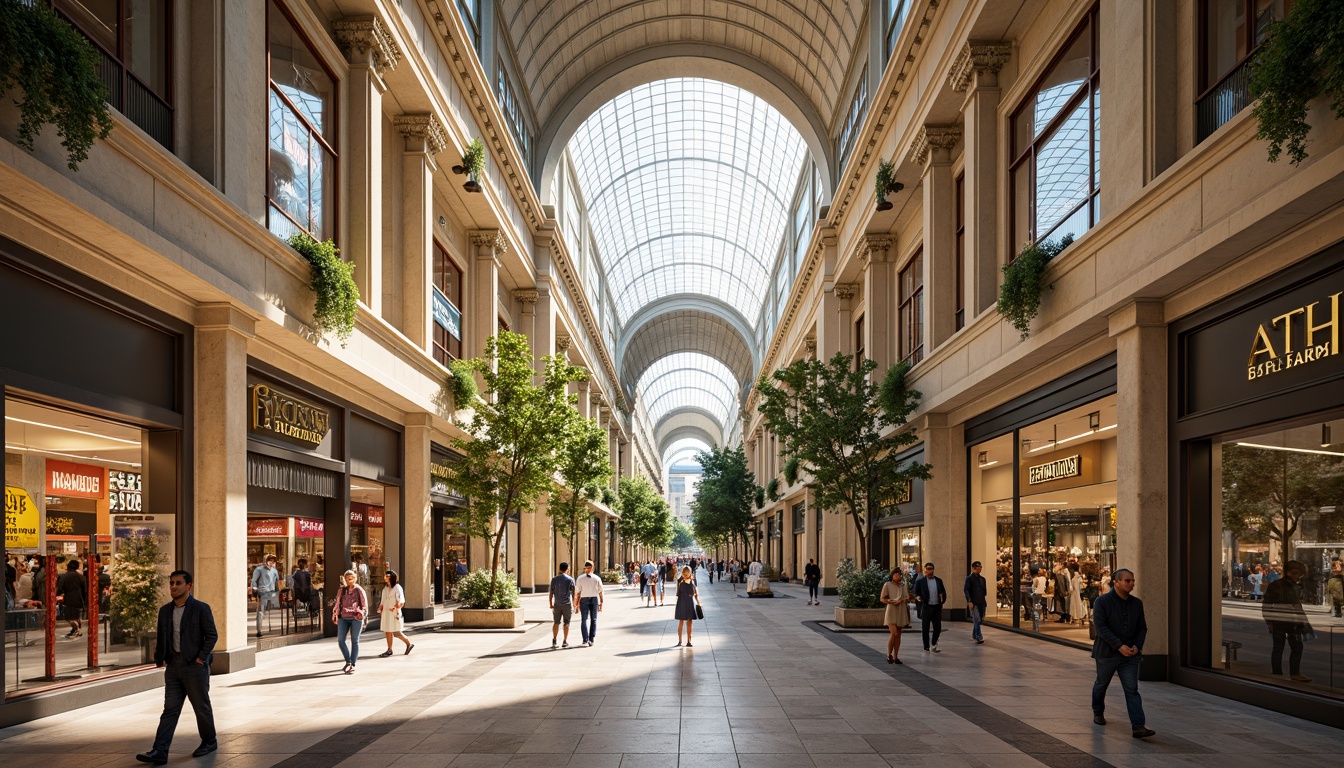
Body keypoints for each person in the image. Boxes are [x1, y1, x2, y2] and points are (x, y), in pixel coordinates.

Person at [136, 569, 218, 764]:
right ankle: (160, 751)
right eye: (171, 583)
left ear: (188, 586)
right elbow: (162, 635)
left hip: (194, 667)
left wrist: (200, 659)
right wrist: (160, 659)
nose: (173, 587)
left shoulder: (200, 608)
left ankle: (209, 741)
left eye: (178, 583)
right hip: (173, 667)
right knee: (170, 709)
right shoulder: (165, 611)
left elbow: (212, 635)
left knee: (201, 707)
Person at [1090, 567, 1154, 738]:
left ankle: (1138, 726)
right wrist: (1119, 646)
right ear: (1116, 582)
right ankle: (1098, 711)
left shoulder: (1136, 603)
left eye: (1133, 580)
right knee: (1101, 684)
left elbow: (1142, 628)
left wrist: (1137, 646)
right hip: (1107, 654)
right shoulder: (1102, 602)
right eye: (1127, 580)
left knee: (1132, 689)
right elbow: (1101, 628)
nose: (1132, 583)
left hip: (1130, 656)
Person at [1262, 560, 1313, 683]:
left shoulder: (1277, 585)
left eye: (1298, 574)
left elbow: (1267, 605)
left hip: (1282, 620)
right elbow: (1268, 605)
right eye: (1294, 573)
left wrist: (1269, 621)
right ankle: (1293, 673)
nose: (1296, 577)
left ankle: (1278, 673)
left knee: (1281, 647)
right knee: (1293, 647)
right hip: (1288, 621)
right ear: (1288, 572)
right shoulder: (1287, 586)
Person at [332, 569, 368, 674]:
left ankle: (352, 664)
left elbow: (364, 604)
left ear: (355, 578)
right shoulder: (342, 590)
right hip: (343, 617)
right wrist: (335, 614)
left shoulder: (359, 589)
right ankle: (348, 661)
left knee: (354, 640)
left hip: (355, 617)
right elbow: (338, 603)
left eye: (351, 577)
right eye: (347, 578)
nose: (349, 579)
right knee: (341, 641)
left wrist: (362, 613)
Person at [377, 570, 413, 657]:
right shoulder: (385, 588)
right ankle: (389, 649)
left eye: (388, 577)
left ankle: (409, 643)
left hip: (393, 613)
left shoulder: (397, 587)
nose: (386, 578)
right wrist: (380, 607)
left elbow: (401, 600)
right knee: (387, 630)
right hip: (386, 612)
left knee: (396, 632)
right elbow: (383, 600)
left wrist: (396, 607)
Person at [912, 562, 946, 653]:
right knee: (925, 628)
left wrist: (942, 600)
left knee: (937, 628)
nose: (930, 571)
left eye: (931, 569)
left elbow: (943, 592)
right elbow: (916, 592)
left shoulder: (938, 581)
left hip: (936, 607)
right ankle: (926, 646)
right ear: (925, 570)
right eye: (928, 569)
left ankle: (934, 644)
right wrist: (918, 598)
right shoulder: (921, 582)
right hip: (926, 606)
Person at [880, 567, 911, 663]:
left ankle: (896, 656)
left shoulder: (903, 585)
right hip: (892, 609)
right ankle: (889, 654)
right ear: (892, 575)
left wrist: (904, 599)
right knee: (894, 633)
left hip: (901, 609)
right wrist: (890, 601)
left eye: (899, 575)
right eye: (896, 575)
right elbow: (882, 598)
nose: (898, 576)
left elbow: (907, 597)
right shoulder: (887, 585)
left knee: (899, 634)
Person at [249, 554, 279, 638]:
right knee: (261, 612)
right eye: (270, 560)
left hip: (273, 593)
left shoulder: (274, 570)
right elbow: (254, 581)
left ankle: (273, 629)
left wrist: (279, 590)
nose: (271, 562)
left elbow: (277, 582)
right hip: (263, 593)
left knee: (273, 612)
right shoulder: (259, 570)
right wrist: (255, 590)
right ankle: (259, 630)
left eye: (273, 560)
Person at [549, 562, 577, 648]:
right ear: (567, 569)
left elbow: (551, 592)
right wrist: (575, 604)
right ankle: (564, 641)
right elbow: (573, 593)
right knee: (566, 623)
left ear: (559, 568)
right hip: (567, 604)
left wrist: (550, 603)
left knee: (556, 622)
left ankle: (554, 640)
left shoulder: (554, 579)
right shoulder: (570, 579)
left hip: (557, 604)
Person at [575, 560, 604, 646]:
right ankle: (591, 639)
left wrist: (576, 603)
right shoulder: (597, 578)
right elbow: (600, 591)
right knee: (593, 619)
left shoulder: (580, 578)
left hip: (584, 599)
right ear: (593, 568)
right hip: (594, 599)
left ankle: (585, 639)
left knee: (584, 619)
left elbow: (578, 592)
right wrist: (601, 602)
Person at [56, 559, 86, 638]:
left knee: (69, 617)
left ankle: (77, 630)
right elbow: (85, 589)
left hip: (69, 598)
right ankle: (75, 630)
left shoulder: (64, 576)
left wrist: (59, 594)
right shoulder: (81, 577)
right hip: (79, 598)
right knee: (77, 616)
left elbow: (59, 588)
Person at [674, 565, 702, 646]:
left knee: (681, 621)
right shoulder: (692, 582)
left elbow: (678, 593)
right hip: (690, 602)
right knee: (689, 622)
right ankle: (689, 641)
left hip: (681, 602)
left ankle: (680, 641)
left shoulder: (680, 582)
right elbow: (695, 594)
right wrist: (698, 602)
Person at [964, 561, 987, 645]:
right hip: (974, 602)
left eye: (980, 568)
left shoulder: (982, 579)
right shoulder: (969, 578)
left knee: (979, 619)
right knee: (977, 619)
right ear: (973, 568)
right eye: (977, 568)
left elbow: (984, 591)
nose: (979, 569)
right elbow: (966, 590)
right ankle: (979, 636)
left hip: (981, 602)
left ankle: (974, 634)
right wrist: (969, 601)